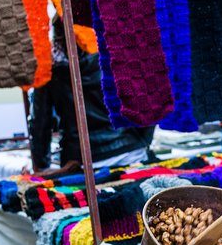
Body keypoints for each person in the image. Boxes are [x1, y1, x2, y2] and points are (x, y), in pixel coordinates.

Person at [30, 17, 155, 171]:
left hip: (79, 159)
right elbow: (146, 102)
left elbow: (40, 123)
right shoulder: (114, 55)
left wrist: (42, 166)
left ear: (58, 34)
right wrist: (141, 140)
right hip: (127, 150)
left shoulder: (49, 70)